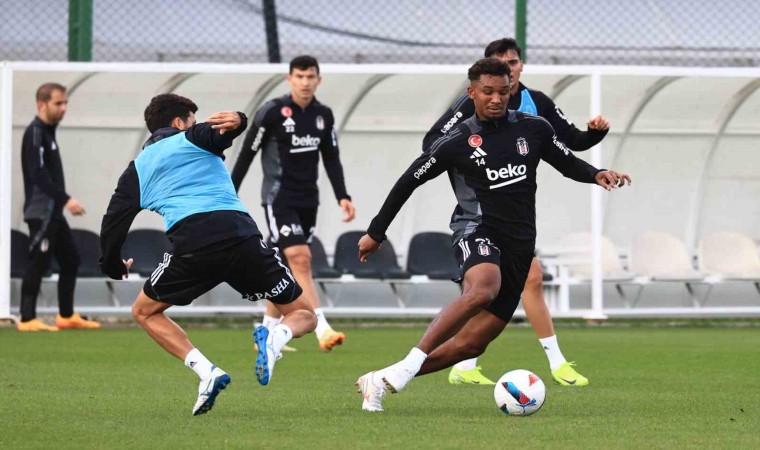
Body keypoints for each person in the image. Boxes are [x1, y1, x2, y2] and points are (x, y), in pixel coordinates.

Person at [355, 58, 630, 412]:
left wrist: (597, 173)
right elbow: (409, 181)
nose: (496, 99)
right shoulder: (456, 141)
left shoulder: (534, 128)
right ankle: (410, 363)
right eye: (488, 92)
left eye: (503, 91)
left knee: (471, 345)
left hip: (520, 244)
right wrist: (376, 232)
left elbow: (567, 162)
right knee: (483, 289)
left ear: (511, 89)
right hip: (476, 229)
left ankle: (380, 379)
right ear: (472, 93)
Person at [99, 94, 317, 416]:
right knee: (305, 315)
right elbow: (220, 132)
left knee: (144, 312)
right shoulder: (193, 136)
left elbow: (113, 223)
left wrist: (113, 264)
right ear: (179, 122)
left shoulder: (136, 171)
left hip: (194, 244)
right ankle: (276, 337)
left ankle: (207, 372)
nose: (193, 124)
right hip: (241, 236)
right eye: (191, 119)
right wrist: (240, 120)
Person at [423, 37, 610, 387]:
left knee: (495, 289)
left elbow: (570, 142)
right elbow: (432, 143)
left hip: (515, 215)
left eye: (511, 62)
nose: (506, 70)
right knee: (519, 281)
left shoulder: (536, 103)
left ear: (520, 66)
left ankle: (463, 364)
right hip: (481, 213)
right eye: (498, 63)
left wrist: (595, 134)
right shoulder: (471, 103)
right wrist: (476, 162)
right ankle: (555, 363)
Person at [231, 55, 356, 352]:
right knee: (301, 258)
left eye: (310, 76)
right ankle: (322, 327)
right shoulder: (272, 112)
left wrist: (343, 196)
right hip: (279, 198)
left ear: (318, 80)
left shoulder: (323, 115)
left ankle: (267, 332)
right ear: (290, 79)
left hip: (309, 200)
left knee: (283, 265)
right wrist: (229, 193)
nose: (305, 82)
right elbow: (247, 153)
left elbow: (331, 158)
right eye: (299, 76)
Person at [17, 82, 100, 332]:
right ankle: (27, 318)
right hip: (40, 212)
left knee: (71, 259)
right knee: (38, 261)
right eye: (58, 103)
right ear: (41, 104)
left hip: (52, 212)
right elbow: (38, 173)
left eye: (65, 103)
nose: (63, 108)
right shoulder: (35, 132)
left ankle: (65, 315)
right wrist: (66, 199)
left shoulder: (48, 132)